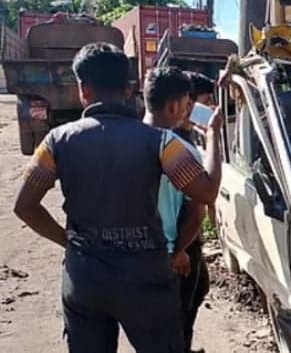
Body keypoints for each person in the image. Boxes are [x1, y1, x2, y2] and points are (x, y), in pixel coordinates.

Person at [13, 43, 222, 353]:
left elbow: (25, 207)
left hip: (85, 277)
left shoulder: (57, 140)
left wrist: (69, 241)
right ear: (128, 89)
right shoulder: (161, 142)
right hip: (146, 279)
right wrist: (214, 138)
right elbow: (206, 192)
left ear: (83, 89)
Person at [142, 68, 214, 353]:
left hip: (151, 249)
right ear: (182, 104)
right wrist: (178, 249)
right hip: (175, 247)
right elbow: (200, 205)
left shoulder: (137, 139)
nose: (206, 110)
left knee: (191, 297)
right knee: (178, 315)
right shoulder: (178, 149)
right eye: (198, 103)